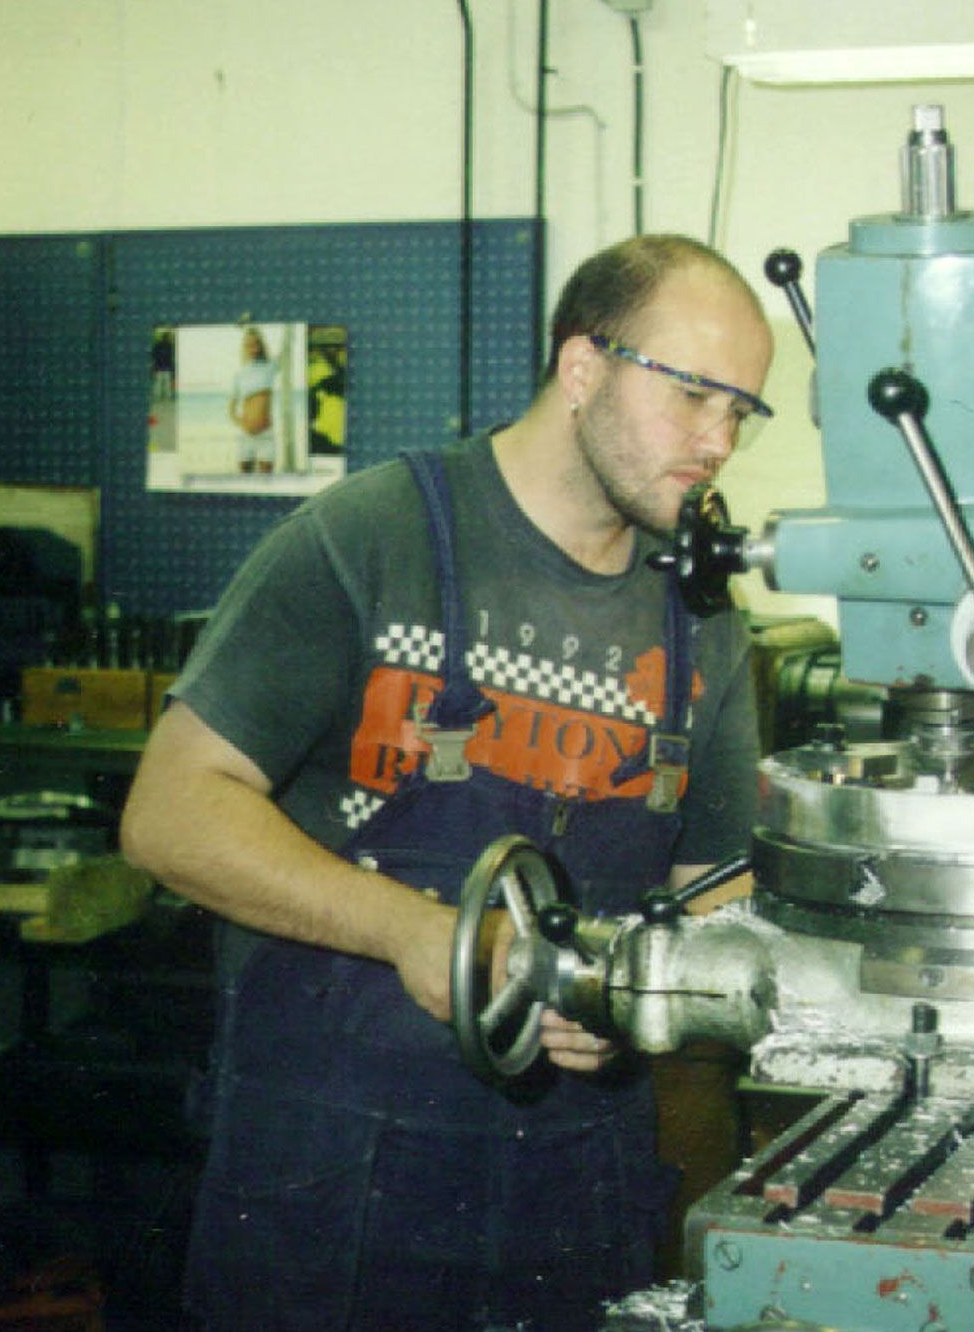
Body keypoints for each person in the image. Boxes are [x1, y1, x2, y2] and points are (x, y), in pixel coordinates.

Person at [120, 234, 777, 1331]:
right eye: (694, 397)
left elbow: (717, 891)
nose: (717, 443)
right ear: (582, 369)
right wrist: (411, 931)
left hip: (578, 1190)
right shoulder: (372, 535)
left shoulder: (703, 623)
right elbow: (171, 811)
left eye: (740, 413)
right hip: (334, 1186)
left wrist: (648, 995)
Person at [228, 326, 278, 473]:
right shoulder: (240, 373)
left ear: (261, 345)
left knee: (267, 480)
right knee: (244, 480)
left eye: (256, 344)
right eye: (249, 345)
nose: (253, 349)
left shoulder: (270, 367)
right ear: (244, 347)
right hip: (245, 435)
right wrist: (241, 423)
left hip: (266, 433)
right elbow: (232, 407)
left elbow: (287, 350)